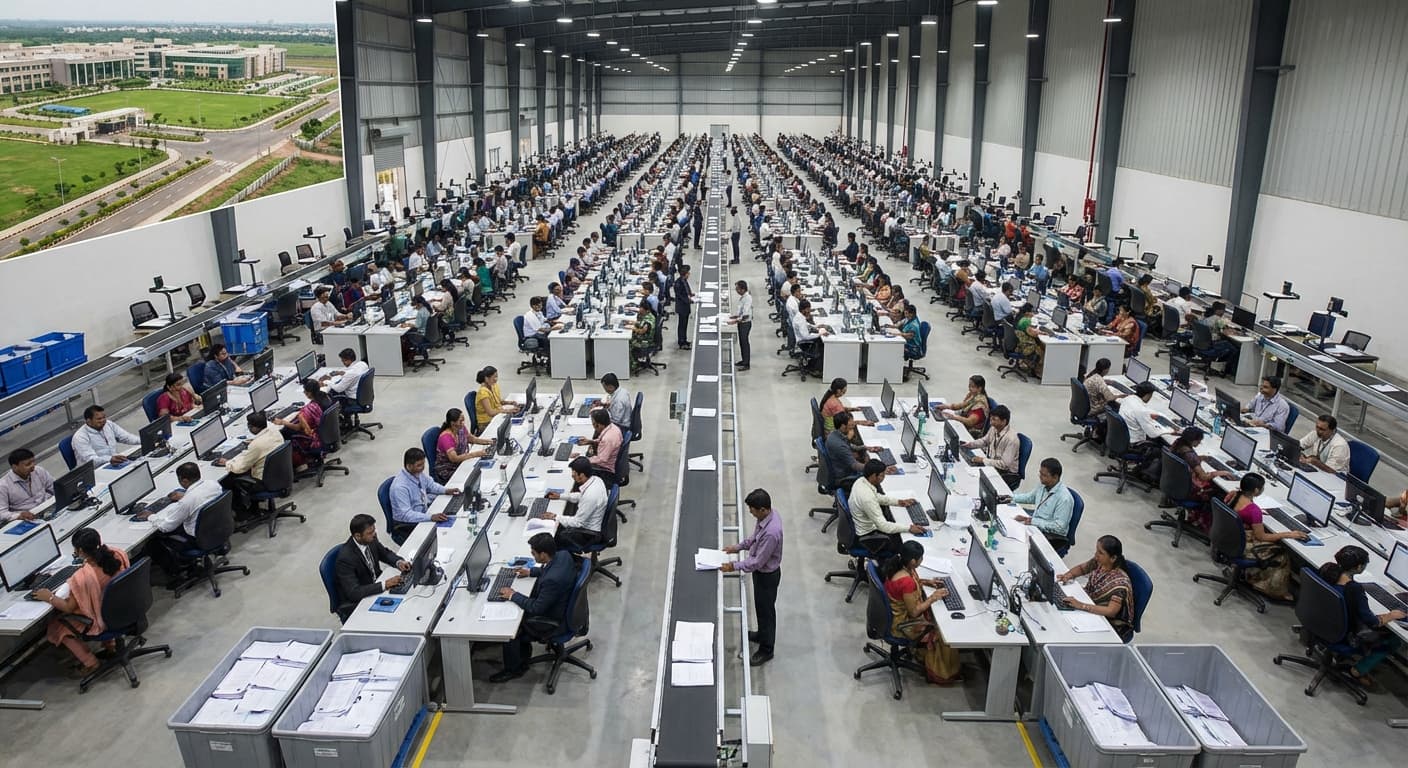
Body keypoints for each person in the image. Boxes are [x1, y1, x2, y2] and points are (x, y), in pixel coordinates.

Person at [35, 528, 129, 677]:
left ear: (79, 550)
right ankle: (111, 646)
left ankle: (91, 663)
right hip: (125, 609)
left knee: (57, 626)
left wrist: (49, 597)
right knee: (102, 601)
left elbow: (68, 607)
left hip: (104, 620)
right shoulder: (116, 554)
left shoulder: (83, 577)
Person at [490, 532, 576, 682]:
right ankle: (523, 652)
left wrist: (513, 595)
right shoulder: (563, 555)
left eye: (533, 553)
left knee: (510, 626)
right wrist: (530, 572)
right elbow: (548, 568)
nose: (532, 555)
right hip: (562, 605)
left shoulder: (552, 581)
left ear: (543, 554)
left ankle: (514, 669)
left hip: (552, 620)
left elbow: (536, 608)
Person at [1319, 545, 1406, 688]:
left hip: (1321, 622)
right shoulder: (1354, 589)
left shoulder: (1327, 570)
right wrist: (1391, 615)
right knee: (1394, 640)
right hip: (1344, 635)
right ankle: (1358, 671)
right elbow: (1372, 622)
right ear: (1359, 567)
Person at [880, 540, 962, 684]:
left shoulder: (898, 567)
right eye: (920, 558)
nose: (922, 561)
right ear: (913, 561)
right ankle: (943, 672)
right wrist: (932, 598)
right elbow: (914, 613)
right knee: (943, 630)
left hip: (892, 616)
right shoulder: (906, 582)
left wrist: (926, 582)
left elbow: (908, 587)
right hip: (903, 625)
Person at [720, 488, 783, 666]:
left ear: (763, 509)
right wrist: (737, 547)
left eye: (753, 509)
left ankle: (767, 649)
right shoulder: (766, 517)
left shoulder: (772, 532)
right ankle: (762, 634)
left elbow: (757, 562)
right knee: (761, 610)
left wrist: (732, 566)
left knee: (767, 612)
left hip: (767, 576)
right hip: (761, 573)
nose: (751, 512)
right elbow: (754, 539)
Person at [1225, 473, 1306, 601]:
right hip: (1242, 545)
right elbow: (1262, 537)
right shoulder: (1253, 510)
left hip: (1228, 537)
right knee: (1282, 552)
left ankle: (1249, 575)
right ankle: (1271, 589)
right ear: (1256, 490)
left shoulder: (1234, 494)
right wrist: (1289, 534)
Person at [135, 462, 223, 579]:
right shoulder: (213, 484)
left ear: (184, 481)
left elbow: (166, 527)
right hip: (218, 528)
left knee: (154, 542)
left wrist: (150, 516)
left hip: (198, 539)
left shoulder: (187, 501)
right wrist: (185, 495)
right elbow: (200, 498)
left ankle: (176, 576)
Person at [1057, 534, 1136, 642]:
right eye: (1096, 551)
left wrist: (1081, 605)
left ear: (1113, 558)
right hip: (1093, 605)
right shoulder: (1100, 562)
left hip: (1112, 625)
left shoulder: (1120, 584)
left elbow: (1111, 611)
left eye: (1100, 553)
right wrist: (1068, 575)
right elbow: (1081, 569)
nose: (1096, 555)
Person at [333, 514, 412, 621]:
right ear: (357, 536)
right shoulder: (345, 559)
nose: (374, 534)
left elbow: (384, 554)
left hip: (375, 586)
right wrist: (385, 584)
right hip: (361, 599)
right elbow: (354, 593)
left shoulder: (370, 539)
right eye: (370, 533)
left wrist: (399, 562)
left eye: (374, 530)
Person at [848, 459, 926, 553]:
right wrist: (909, 528)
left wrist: (899, 502)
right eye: (882, 475)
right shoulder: (867, 498)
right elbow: (883, 526)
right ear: (873, 476)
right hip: (869, 536)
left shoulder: (861, 481)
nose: (884, 478)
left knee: (893, 520)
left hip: (862, 525)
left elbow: (876, 496)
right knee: (905, 545)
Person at [216, 412, 283, 513]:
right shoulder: (274, 431)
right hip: (280, 473)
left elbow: (239, 468)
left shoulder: (257, 445)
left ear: (255, 428)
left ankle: (242, 513)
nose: (249, 428)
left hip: (264, 482)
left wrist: (227, 462)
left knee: (227, 480)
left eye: (249, 425)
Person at [542, 457, 609, 549]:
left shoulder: (590, 496)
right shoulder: (596, 480)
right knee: (561, 520)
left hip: (588, 534)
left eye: (574, 474)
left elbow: (577, 523)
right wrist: (560, 496)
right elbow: (581, 496)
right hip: (590, 523)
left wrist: (555, 517)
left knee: (551, 538)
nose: (572, 476)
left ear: (581, 475)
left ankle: (572, 560)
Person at [1011, 458, 1075, 548]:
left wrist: (1033, 521)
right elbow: (1030, 497)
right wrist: (1011, 498)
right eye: (1040, 473)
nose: (1040, 476)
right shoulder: (1044, 484)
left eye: (1044, 475)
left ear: (1055, 477)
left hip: (1049, 535)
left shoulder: (1064, 499)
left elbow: (1059, 528)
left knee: (1016, 544)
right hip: (1035, 522)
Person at [1170, 427, 1235, 507]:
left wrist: (1200, 458)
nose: (1199, 442)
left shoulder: (1178, 443)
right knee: (1219, 490)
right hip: (1188, 491)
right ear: (1193, 440)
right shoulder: (1190, 455)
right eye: (1199, 441)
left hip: (1174, 481)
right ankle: (1204, 516)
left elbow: (1186, 459)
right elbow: (1203, 477)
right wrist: (1221, 472)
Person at [963, 404, 1022, 489]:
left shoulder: (1011, 439)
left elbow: (1004, 465)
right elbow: (985, 441)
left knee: (974, 482)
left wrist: (983, 460)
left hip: (1006, 473)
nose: (990, 421)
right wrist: (970, 445)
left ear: (1004, 421)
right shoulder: (994, 428)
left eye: (994, 419)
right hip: (993, 464)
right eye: (991, 418)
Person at [273, 379, 323, 470]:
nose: (304, 392)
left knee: (285, 434)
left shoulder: (306, 410)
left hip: (313, 439)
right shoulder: (320, 401)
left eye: (305, 391)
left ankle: (299, 463)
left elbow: (298, 428)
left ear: (309, 393)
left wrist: (283, 422)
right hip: (321, 433)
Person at [433, 408, 493, 483]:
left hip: (460, 463)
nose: (463, 423)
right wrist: (476, 454)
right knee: (475, 476)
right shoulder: (446, 437)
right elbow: (454, 459)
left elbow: (471, 439)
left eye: (463, 420)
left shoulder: (460, 428)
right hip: (448, 469)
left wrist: (488, 442)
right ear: (452, 423)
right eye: (460, 421)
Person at [71, 405, 140, 468]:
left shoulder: (108, 424)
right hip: (96, 470)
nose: (103, 421)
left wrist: (143, 439)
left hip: (114, 463)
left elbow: (126, 437)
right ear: (89, 421)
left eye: (104, 417)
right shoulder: (80, 437)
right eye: (99, 419)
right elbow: (91, 460)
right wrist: (109, 459)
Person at [0, 448, 54, 522]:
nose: (33, 466)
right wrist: (19, 515)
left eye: (33, 462)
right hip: (27, 519)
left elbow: (55, 488)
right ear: (14, 467)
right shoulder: (3, 485)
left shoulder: (38, 471)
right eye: (28, 464)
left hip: (48, 509)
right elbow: (1, 513)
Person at [474, 365, 519, 431]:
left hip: (496, 416)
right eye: (494, 377)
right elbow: (490, 412)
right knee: (511, 427)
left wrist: (509, 402)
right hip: (486, 423)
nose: (496, 379)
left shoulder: (493, 386)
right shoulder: (483, 393)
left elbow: (497, 401)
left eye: (496, 376)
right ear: (486, 378)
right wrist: (508, 411)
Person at [726, 280, 752, 369]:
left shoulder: (747, 298)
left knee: (744, 343)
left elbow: (746, 314)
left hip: (745, 323)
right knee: (742, 342)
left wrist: (735, 321)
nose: (736, 291)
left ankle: (746, 363)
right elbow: (741, 311)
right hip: (741, 323)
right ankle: (744, 360)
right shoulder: (743, 297)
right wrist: (735, 316)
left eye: (737, 289)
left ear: (742, 289)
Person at [674, 263, 696, 349]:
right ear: (685, 274)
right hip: (682, 307)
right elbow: (680, 295)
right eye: (688, 273)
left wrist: (691, 295)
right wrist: (689, 300)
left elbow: (686, 291)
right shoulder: (678, 283)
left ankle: (684, 339)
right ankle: (681, 342)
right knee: (682, 325)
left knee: (685, 324)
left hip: (685, 307)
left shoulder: (684, 281)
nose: (689, 274)